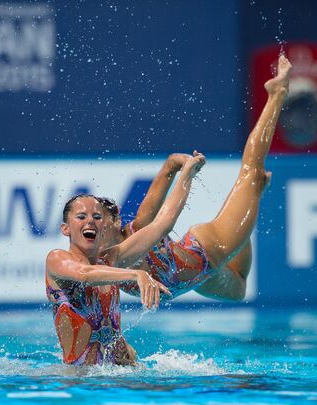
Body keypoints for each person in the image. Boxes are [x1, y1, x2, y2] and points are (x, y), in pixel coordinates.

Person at [99, 54, 292, 302]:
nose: (92, 225)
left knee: (252, 175)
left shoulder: (140, 228)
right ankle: (248, 197)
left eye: (97, 218)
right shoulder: (100, 266)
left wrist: (177, 167)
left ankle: (277, 94)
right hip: (196, 279)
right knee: (239, 292)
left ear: (115, 221)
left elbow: (167, 175)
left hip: (207, 252)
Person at [45, 154, 206, 366]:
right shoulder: (56, 259)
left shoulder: (111, 259)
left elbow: (161, 225)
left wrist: (187, 174)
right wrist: (136, 273)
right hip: (78, 382)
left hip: (115, 377)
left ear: (104, 226)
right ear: (65, 229)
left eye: (97, 216)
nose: (90, 221)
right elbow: (85, 274)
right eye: (81, 217)